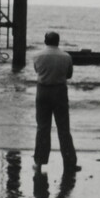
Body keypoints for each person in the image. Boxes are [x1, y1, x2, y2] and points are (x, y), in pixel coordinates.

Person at [32, 31, 78, 175]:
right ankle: (69, 163)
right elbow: (69, 75)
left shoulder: (38, 55)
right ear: (58, 41)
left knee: (42, 128)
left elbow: (37, 71)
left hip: (43, 91)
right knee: (63, 129)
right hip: (59, 91)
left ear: (45, 41)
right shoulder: (66, 57)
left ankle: (39, 163)